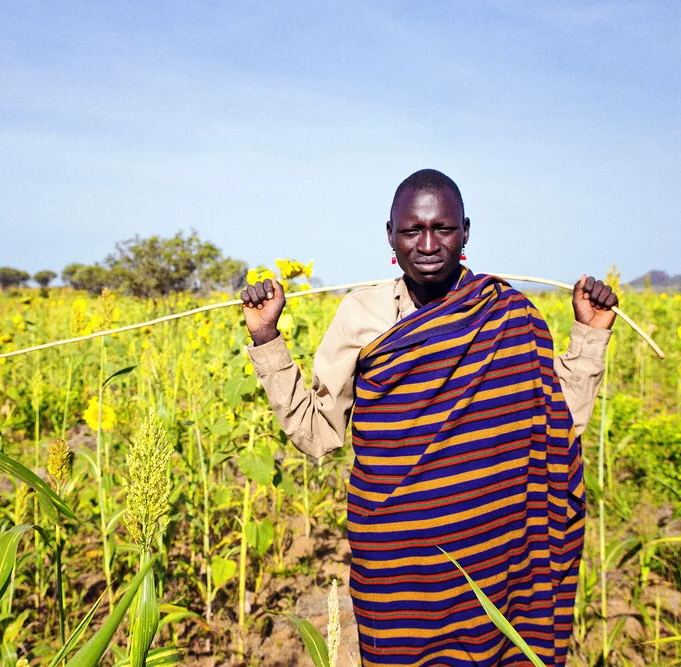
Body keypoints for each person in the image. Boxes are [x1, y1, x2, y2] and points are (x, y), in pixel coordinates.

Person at [240, 169, 619, 666]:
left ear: (465, 231)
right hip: (399, 562)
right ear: (390, 236)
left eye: (442, 228)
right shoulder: (362, 314)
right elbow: (317, 433)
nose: (427, 244)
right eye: (411, 230)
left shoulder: (506, 314)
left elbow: (554, 425)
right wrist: (267, 339)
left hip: (498, 556)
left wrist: (588, 337)